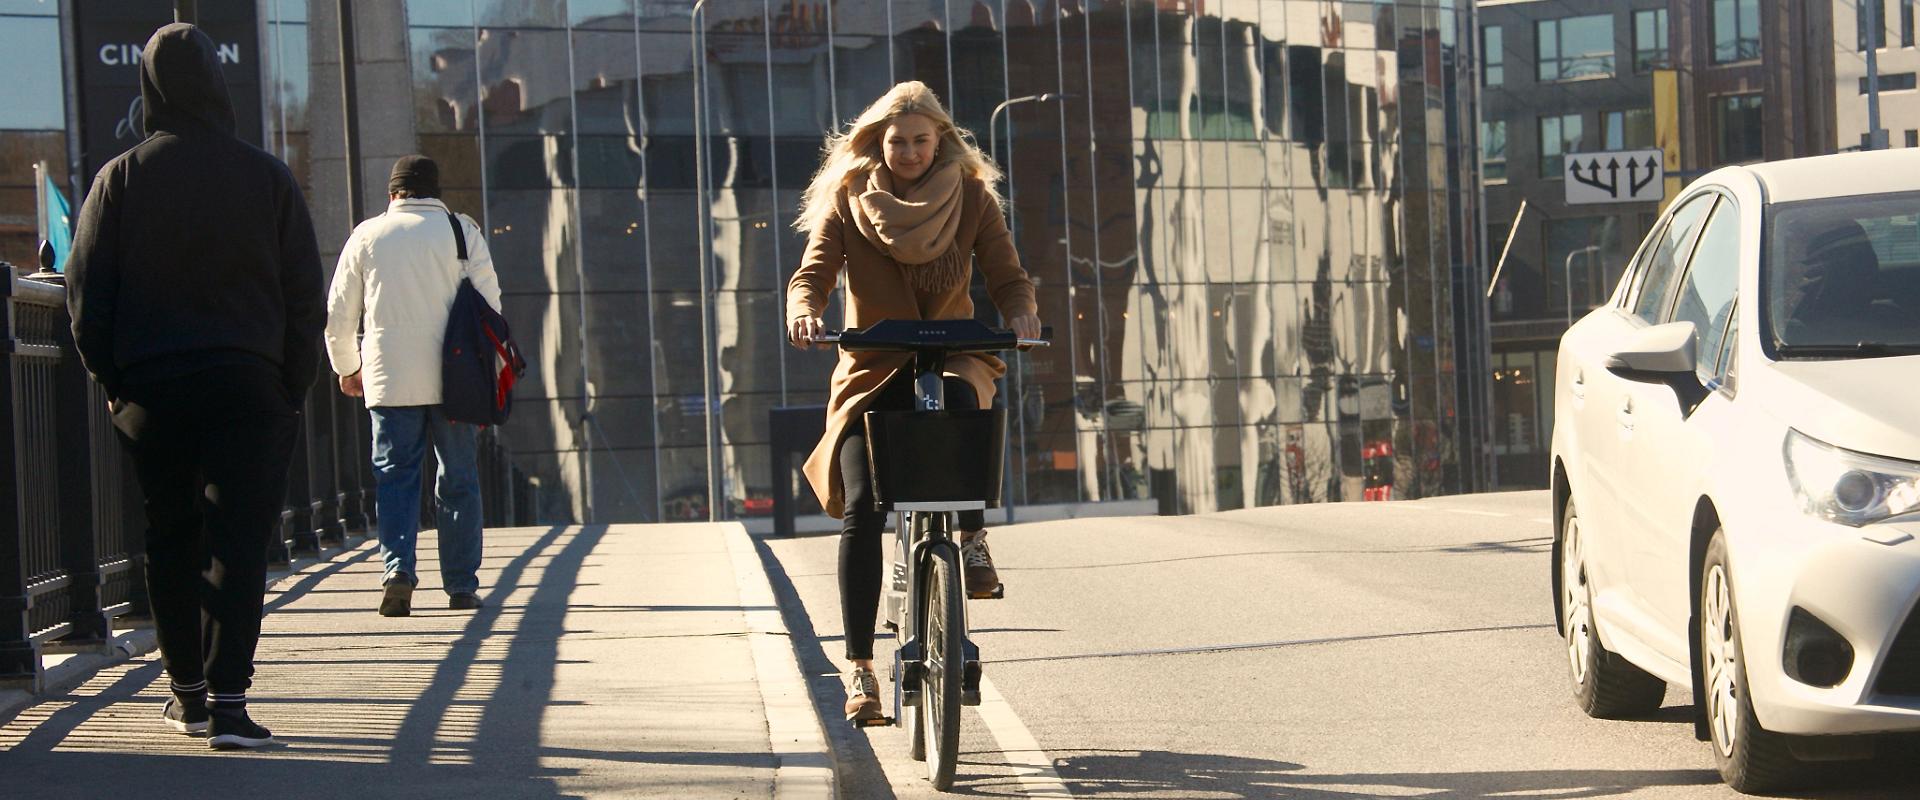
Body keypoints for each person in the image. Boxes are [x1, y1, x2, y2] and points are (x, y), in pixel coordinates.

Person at [66, 23, 324, 750]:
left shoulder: (120, 178)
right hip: (250, 384)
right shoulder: (266, 177)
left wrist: (113, 382)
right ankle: (232, 704)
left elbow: (88, 296)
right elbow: (306, 293)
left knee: (170, 535)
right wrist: (289, 385)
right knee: (239, 542)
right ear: (218, 82)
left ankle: (187, 695)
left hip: (155, 387)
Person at [785, 81, 1042, 723]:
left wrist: (1023, 314)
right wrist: (804, 312)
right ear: (879, 140)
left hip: (951, 353)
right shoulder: (849, 199)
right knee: (864, 506)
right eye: (896, 141)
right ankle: (861, 671)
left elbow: (1007, 277)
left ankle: (972, 534)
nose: (908, 153)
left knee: (963, 406)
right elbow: (813, 273)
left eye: (920, 141)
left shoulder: (971, 196)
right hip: (873, 365)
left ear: (940, 141)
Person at [325, 155, 503, 618]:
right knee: (458, 479)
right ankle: (461, 585)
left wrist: (347, 367)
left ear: (393, 194)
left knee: (396, 478)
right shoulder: (463, 232)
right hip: (456, 380)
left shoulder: (366, 236)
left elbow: (340, 313)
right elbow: (491, 309)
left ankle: (397, 572)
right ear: (435, 190)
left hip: (389, 378)